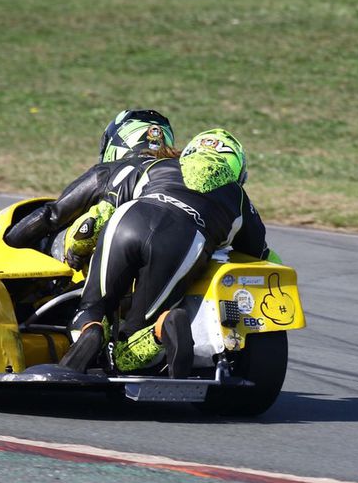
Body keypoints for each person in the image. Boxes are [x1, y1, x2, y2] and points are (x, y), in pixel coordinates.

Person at [60, 128, 272, 379]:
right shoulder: (238, 197)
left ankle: (90, 329)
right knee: (133, 342)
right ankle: (162, 329)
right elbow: (257, 253)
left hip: (129, 218)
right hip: (181, 239)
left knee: (92, 306)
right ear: (237, 169)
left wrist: (76, 248)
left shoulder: (157, 166)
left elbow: (103, 212)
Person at [3, 109, 179, 253]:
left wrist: (7, 245)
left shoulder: (109, 171)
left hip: (122, 255)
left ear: (120, 141)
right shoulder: (182, 170)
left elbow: (53, 215)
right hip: (181, 246)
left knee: (59, 237)